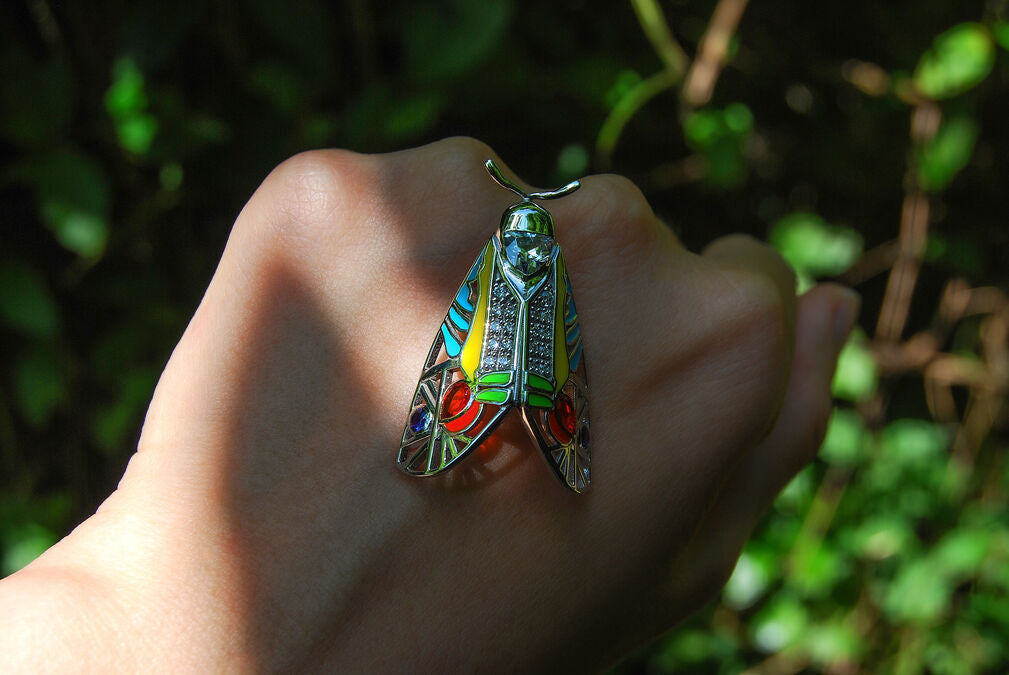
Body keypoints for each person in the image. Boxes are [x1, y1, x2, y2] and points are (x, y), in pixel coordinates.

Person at [0, 138, 858, 671]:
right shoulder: (543, 260)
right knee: (535, 364)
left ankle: (467, 426)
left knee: (472, 358)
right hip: (542, 354)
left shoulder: (495, 264)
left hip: (484, 340)